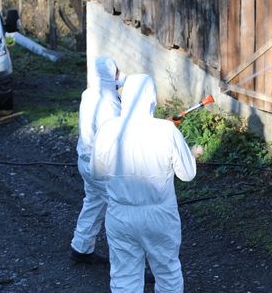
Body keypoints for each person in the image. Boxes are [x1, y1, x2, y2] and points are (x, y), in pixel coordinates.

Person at [91, 74, 197, 292]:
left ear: (125, 98)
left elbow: (97, 172)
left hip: (120, 215)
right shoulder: (167, 130)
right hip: (160, 216)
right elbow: (187, 174)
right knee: (167, 272)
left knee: (124, 277)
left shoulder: (108, 129)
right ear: (153, 99)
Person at [70, 56, 123, 264]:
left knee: (94, 201)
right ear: (111, 75)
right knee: (120, 211)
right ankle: (124, 262)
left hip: (85, 161)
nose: (120, 77)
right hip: (103, 167)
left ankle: (80, 247)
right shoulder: (109, 103)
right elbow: (117, 137)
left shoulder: (89, 93)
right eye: (117, 73)